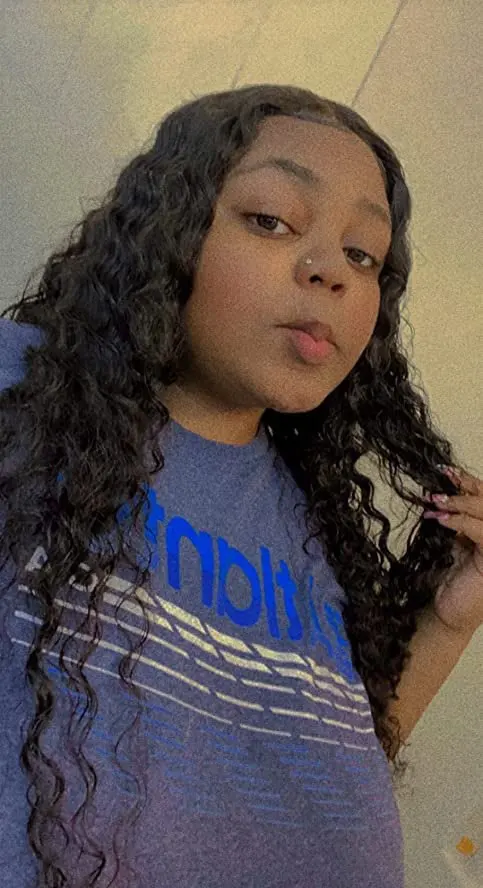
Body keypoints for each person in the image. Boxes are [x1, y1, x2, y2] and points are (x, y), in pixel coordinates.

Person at [0, 83, 464, 888]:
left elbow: (319, 777)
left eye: (362, 255)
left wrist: (451, 623)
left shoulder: (318, 525)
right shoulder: (20, 395)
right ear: (168, 235)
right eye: (271, 220)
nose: (330, 270)